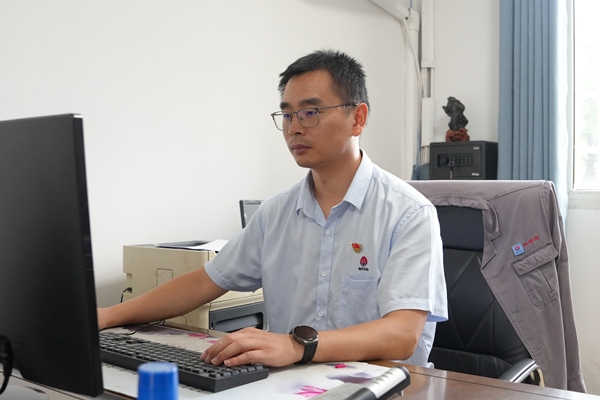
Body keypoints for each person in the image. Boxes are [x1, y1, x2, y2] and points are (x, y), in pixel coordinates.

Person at [98, 49, 447, 368]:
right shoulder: (276, 213)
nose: (294, 128)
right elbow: (205, 282)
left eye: (310, 113)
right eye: (287, 115)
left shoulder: (409, 213)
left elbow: (402, 334)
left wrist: (297, 346)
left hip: (381, 388)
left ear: (358, 117)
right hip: (291, 386)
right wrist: (109, 315)